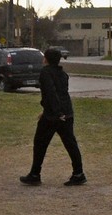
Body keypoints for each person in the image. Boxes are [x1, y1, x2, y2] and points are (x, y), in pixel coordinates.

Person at [20, 47, 85, 186]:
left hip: (54, 116)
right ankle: (78, 173)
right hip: (66, 112)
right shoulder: (63, 74)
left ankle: (35, 174)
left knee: (40, 143)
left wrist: (56, 113)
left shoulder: (45, 72)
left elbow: (51, 93)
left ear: (46, 59)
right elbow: (61, 94)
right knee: (70, 144)